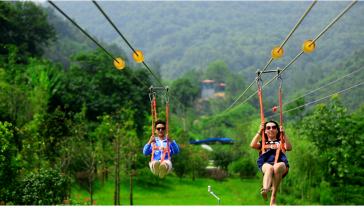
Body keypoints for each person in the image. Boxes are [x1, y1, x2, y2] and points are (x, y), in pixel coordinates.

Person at [250, 120, 292, 206]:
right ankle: (265, 190)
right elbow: (253, 145)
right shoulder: (263, 143)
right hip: (266, 164)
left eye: (274, 127)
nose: (271, 129)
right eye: (268, 128)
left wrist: (284, 134)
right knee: (269, 167)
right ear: (265, 131)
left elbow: (289, 148)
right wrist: (259, 131)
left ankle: (273, 196)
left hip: (281, 165)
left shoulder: (281, 142)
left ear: (277, 130)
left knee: (276, 166)